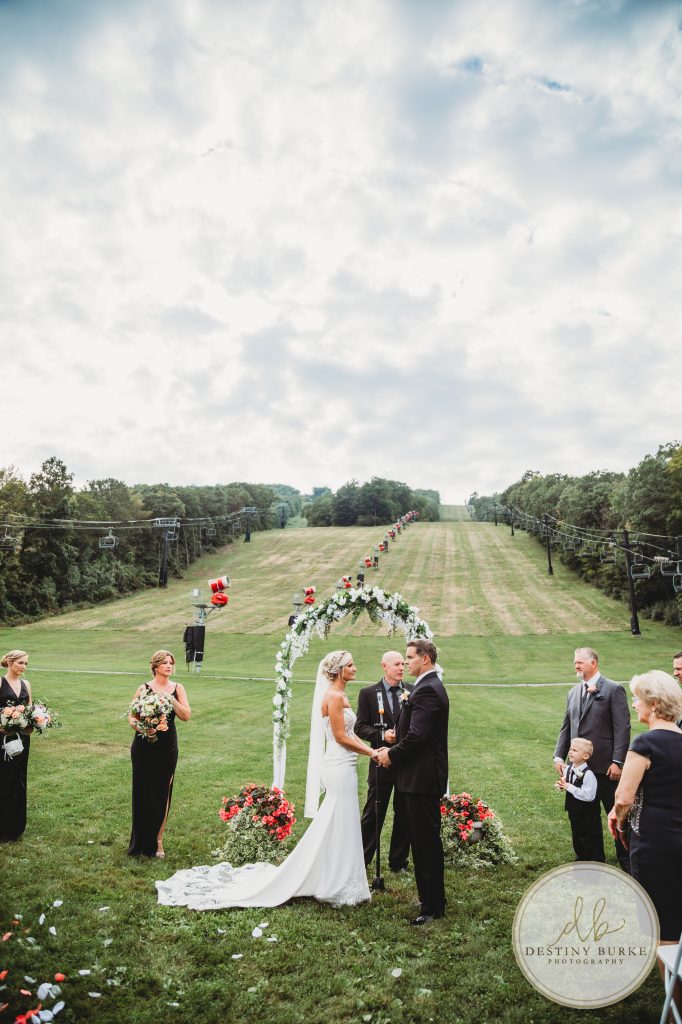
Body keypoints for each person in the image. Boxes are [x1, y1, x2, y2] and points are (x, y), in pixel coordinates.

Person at [156, 650, 378, 910]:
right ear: (339, 670)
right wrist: (372, 752)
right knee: (337, 819)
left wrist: (370, 750)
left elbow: (348, 734)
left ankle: (336, 876)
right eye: (351, 665)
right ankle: (331, 879)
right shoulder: (333, 696)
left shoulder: (340, 694)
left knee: (341, 820)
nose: (355, 668)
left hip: (345, 764)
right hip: (338, 765)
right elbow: (340, 737)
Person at [607, 670, 682, 1013]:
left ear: (652, 706)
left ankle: (674, 1007)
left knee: (662, 923)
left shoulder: (645, 743)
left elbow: (623, 798)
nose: (634, 703)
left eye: (637, 698)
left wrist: (615, 820)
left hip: (654, 842)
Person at [376, 639, 449, 925]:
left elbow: (418, 737)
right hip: (415, 777)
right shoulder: (424, 686)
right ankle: (431, 898)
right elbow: (414, 731)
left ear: (426, 659)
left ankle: (432, 907)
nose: (406, 662)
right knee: (421, 841)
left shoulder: (428, 690)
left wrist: (390, 755)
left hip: (422, 778)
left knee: (425, 843)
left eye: (410, 657)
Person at [553, 646, 630, 869]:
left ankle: (627, 862)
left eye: (580, 662)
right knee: (585, 818)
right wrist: (559, 756)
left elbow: (622, 728)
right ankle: (591, 861)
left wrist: (618, 762)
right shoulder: (573, 693)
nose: (576, 666)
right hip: (579, 768)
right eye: (575, 662)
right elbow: (566, 726)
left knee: (617, 815)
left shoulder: (614, 689)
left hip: (606, 767)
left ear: (594, 663)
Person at [128, 650, 191, 858]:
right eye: (164, 663)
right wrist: (143, 729)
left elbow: (186, 716)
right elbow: (131, 717)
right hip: (144, 746)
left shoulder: (177, 688)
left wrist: (169, 700)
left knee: (163, 792)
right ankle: (140, 841)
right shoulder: (144, 688)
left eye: (171, 663)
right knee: (143, 791)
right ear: (155, 666)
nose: (169, 666)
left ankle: (158, 841)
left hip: (167, 747)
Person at [355, 650, 411, 873]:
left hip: (406, 762)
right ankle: (363, 858)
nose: (401, 668)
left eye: (403, 664)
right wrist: (382, 737)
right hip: (381, 762)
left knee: (404, 812)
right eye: (396, 664)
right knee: (374, 812)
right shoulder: (369, 693)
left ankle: (398, 862)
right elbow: (360, 727)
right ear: (384, 666)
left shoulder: (412, 690)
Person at [0, 650, 33, 843]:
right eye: (21, 663)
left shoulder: (26, 684)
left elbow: (29, 710)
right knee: (4, 778)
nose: (23, 667)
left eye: (26, 664)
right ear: (10, 662)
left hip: (22, 738)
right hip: (3, 739)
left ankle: (16, 826)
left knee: (19, 777)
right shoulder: (0, 683)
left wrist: (31, 724)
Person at [554, 737, 599, 861]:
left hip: (586, 814)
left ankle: (592, 861)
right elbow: (567, 782)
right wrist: (562, 785)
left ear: (585, 756)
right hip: (573, 811)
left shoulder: (588, 774)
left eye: (574, 750)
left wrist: (570, 787)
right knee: (577, 836)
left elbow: (589, 796)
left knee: (588, 838)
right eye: (570, 749)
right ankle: (580, 858)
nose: (570, 752)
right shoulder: (568, 768)